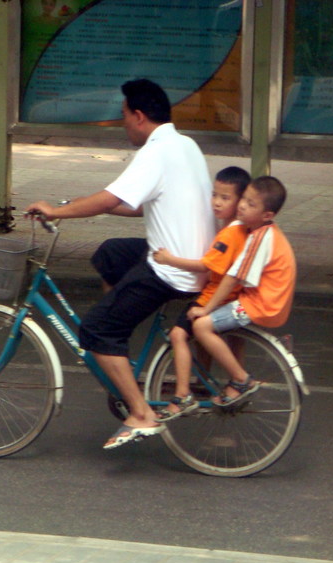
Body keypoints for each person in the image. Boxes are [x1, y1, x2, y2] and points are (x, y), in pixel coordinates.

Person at [25, 79, 216, 449]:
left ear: (140, 116)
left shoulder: (155, 152)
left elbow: (111, 197)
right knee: (110, 253)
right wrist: (81, 204)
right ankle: (121, 342)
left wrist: (58, 210)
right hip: (192, 259)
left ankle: (141, 412)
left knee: (96, 329)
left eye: (124, 116)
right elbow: (137, 203)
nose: (122, 123)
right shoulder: (184, 144)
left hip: (172, 269)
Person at [151, 166, 251, 421]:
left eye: (225, 198)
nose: (216, 202)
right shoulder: (239, 230)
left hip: (213, 297)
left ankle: (183, 395)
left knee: (177, 335)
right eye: (214, 195)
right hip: (225, 296)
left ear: (240, 202)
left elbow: (205, 266)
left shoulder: (230, 233)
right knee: (197, 335)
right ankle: (202, 380)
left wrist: (169, 259)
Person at [187, 176, 296, 406]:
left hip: (261, 305)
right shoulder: (264, 233)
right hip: (264, 301)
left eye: (251, 204)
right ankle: (234, 380)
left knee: (202, 326)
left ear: (267, 215)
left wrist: (206, 308)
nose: (242, 206)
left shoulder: (260, 238)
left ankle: (240, 379)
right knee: (228, 331)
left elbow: (232, 277)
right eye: (244, 199)